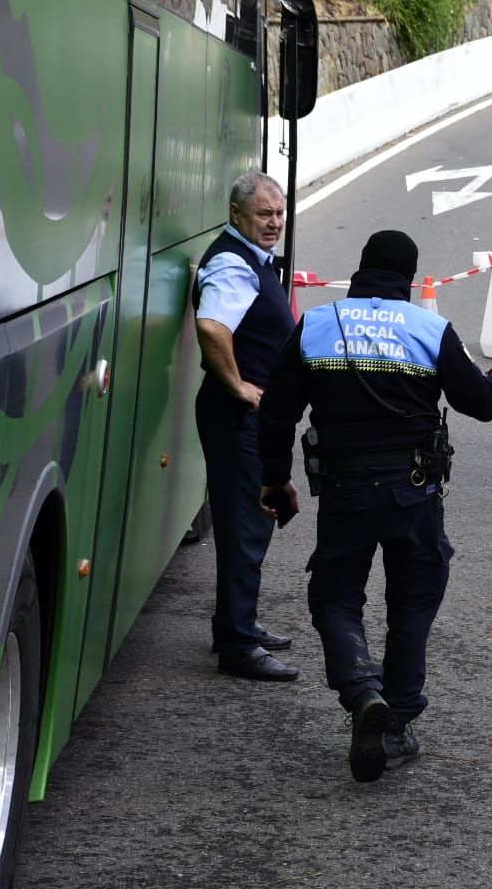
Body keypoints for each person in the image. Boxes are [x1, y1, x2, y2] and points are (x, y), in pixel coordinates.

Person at [256, 230, 492, 783]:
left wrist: (276, 481)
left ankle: (360, 688)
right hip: (414, 491)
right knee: (413, 603)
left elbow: (276, 412)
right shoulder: (428, 328)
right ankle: (395, 724)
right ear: (410, 277)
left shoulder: (318, 324)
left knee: (334, 595)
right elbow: (484, 404)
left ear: (361, 270)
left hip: (344, 490)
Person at [194, 171, 299, 681]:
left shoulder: (253, 259)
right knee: (245, 526)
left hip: (248, 417)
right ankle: (238, 645)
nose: (274, 222)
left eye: (279, 213)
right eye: (264, 214)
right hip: (237, 417)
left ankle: (235, 625)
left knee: (250, 522)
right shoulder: (234, 264)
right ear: (236, 214)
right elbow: (212, 326)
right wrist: (238, 385)